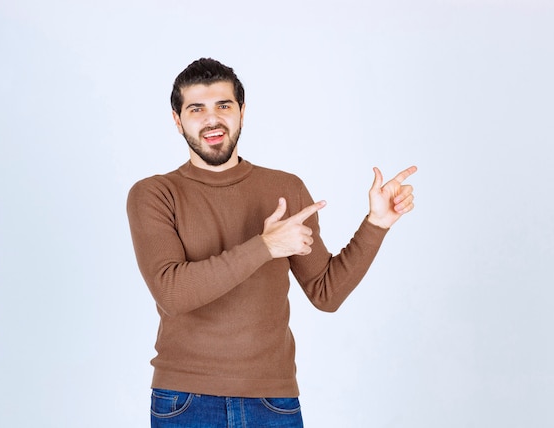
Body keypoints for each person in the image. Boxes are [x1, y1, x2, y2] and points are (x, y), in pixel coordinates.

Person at [126, 57, 416, 428]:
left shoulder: (284, 188)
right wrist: (264, 246)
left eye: (223, 106)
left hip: (272, 401)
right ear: (177, 120)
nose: (212, 119)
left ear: (242, 113)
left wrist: (377, 223)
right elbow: (172, 293)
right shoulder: (154, 193)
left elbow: (326, 293)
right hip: (185, 399)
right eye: (196, 109)